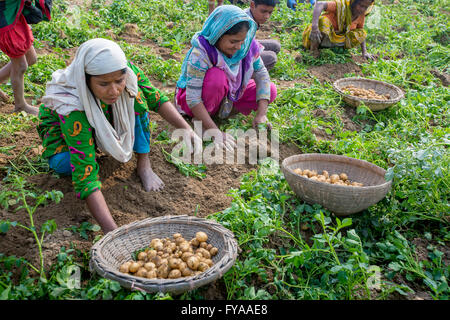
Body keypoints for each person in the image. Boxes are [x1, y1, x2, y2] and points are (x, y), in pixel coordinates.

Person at [37, 38, 201, 234]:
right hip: (64, 136)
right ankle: (93, 145)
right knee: (65, 164)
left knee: (137, 98)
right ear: (86, 80)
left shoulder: (125, 72)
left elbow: (156, 99)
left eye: (118, 81)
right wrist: (112, 231)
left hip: (105, 115)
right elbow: (86, 178)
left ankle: (144, 165)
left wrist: (187, 129)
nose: (114, 90)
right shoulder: (72, 107)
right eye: (103, 84)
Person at [175, 5, 277, 151]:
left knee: (270, 90)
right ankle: (202, 122)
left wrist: (261, 114)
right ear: (218, 34)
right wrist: (214, 131)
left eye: (241, 41)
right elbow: (193, 98)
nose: (238, 47)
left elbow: (261, 74)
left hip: (228, 93)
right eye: (233, 41)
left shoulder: (246, 45)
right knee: (217, 78)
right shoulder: (201, 53)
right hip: (197, 101)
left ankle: (222, 110)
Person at [0, 0, 39, 115]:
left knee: (31, 58)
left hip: (13, 15)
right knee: (21, 66)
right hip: (5, 19)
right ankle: (20, 106)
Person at [302, 0, 375, 59]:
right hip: (321, 37)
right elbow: (319, 4)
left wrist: (364, 52)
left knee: (361, 33)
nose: (362, 9)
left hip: (338, 42)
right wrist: (314, 28)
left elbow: (360, 31)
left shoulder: (360, 15)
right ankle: (313, 50)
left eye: (365, 7)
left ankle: (335, 49)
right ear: (354, 2)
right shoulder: (341, 6)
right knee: (323, 21)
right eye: (361, 5)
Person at [244, 0, 281, 71]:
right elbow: (241, 49)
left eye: (270, 12)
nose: (267, 16)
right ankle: (249, 74)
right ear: (252, 5)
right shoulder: (245, 22)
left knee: (275, 45)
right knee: (271, 58)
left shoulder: (252, 16)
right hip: (240, 53)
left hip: (248, 45)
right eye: (263, 11)